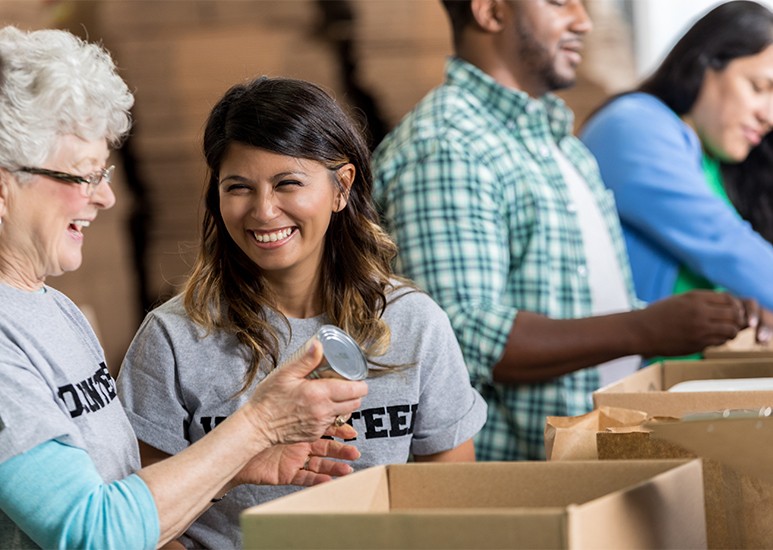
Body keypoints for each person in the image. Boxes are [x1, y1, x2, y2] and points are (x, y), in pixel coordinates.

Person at [0, 26, 368, 550]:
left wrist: (231, 469)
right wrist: (257, 426)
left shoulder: (51, 308)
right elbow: (91, 532)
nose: (105, 196)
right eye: (82, 175)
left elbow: (120, 496)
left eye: (103, 172)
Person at [371, 0, 770, 462]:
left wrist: (696, 320)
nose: (583, 21)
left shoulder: (559, 146)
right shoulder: (448, 147)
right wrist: (645, 328)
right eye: (561, 3)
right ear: (490, 11)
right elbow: (457, 337)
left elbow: (581, 307)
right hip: (517, 482)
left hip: (579, 461)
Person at [116, 76, 487, 548]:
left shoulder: (415, 323)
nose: (264, 211)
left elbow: (452, 503)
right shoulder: (173, 339)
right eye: (239, 187)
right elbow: (143, 520)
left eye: (287, 183)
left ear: (341, 187)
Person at [581, 0, 773, 316]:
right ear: (703, 65)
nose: (767, 116)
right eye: (757, 87)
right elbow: (721, 242)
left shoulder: (709, 157)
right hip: (638, 364)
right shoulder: (633, 124)